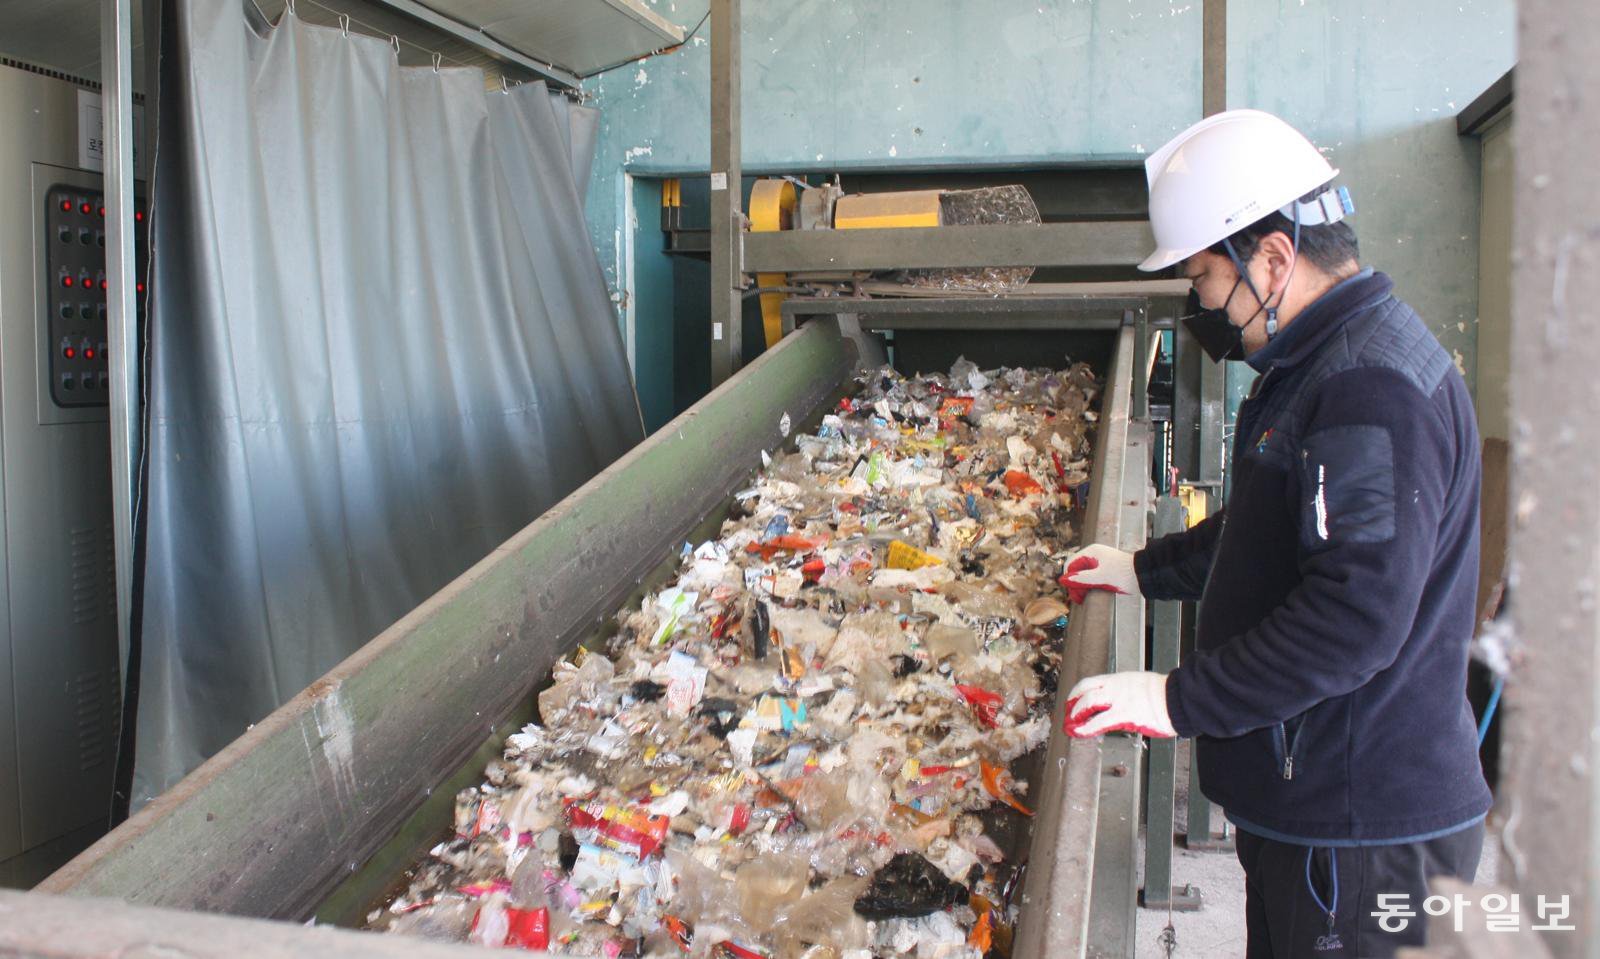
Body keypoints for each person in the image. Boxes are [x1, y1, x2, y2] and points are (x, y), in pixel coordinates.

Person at [1057, 109, 1491, 958]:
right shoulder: (1318, 363)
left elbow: (1355, 616)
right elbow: (1266, 526)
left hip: (1361, 832)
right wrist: (1143, 569)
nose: (1202, 306)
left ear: (1276, 258)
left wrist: (1179, 698)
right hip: (1317, 805)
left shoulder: (1369, 390)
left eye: (1207, 281)